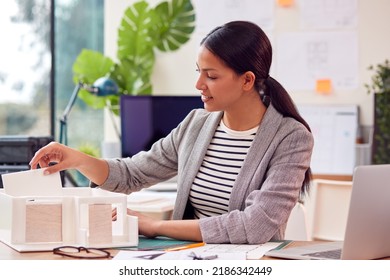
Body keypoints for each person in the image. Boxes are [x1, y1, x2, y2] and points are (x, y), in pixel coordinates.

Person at [30, 21, 313, 245]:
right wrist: (78, 159)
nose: (199, 84)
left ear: (247, 80)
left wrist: (154, 226)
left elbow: (256, 225)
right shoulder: (196, 124)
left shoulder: (291, 137)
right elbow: (132, 173)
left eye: (211, 76)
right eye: (199, 72)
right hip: (188, 259)